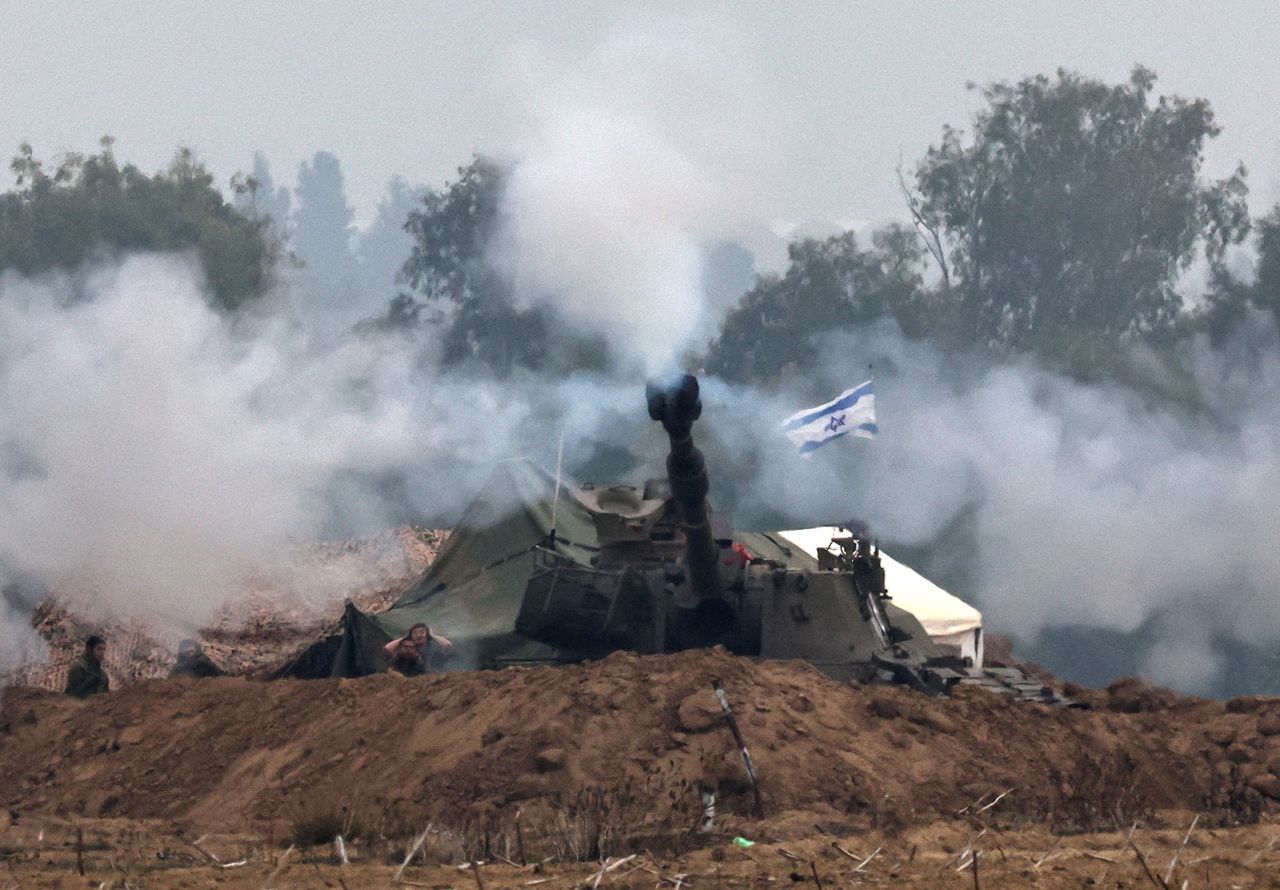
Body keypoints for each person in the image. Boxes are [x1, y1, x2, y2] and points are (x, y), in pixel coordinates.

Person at [383, 622, 452, 674]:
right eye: (415, 633)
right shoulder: (408, 646)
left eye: (422, 632)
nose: (418, 635)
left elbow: (447, 645)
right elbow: (387, 648)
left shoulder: (432, 647)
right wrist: (406, 636)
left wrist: (433, 635)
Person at [65, 635, 109, 699]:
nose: (102, 653)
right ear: (89, 649)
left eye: (104, 649)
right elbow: (70, 696)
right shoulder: (78, 669)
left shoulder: (103, 676)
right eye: (99, 649)